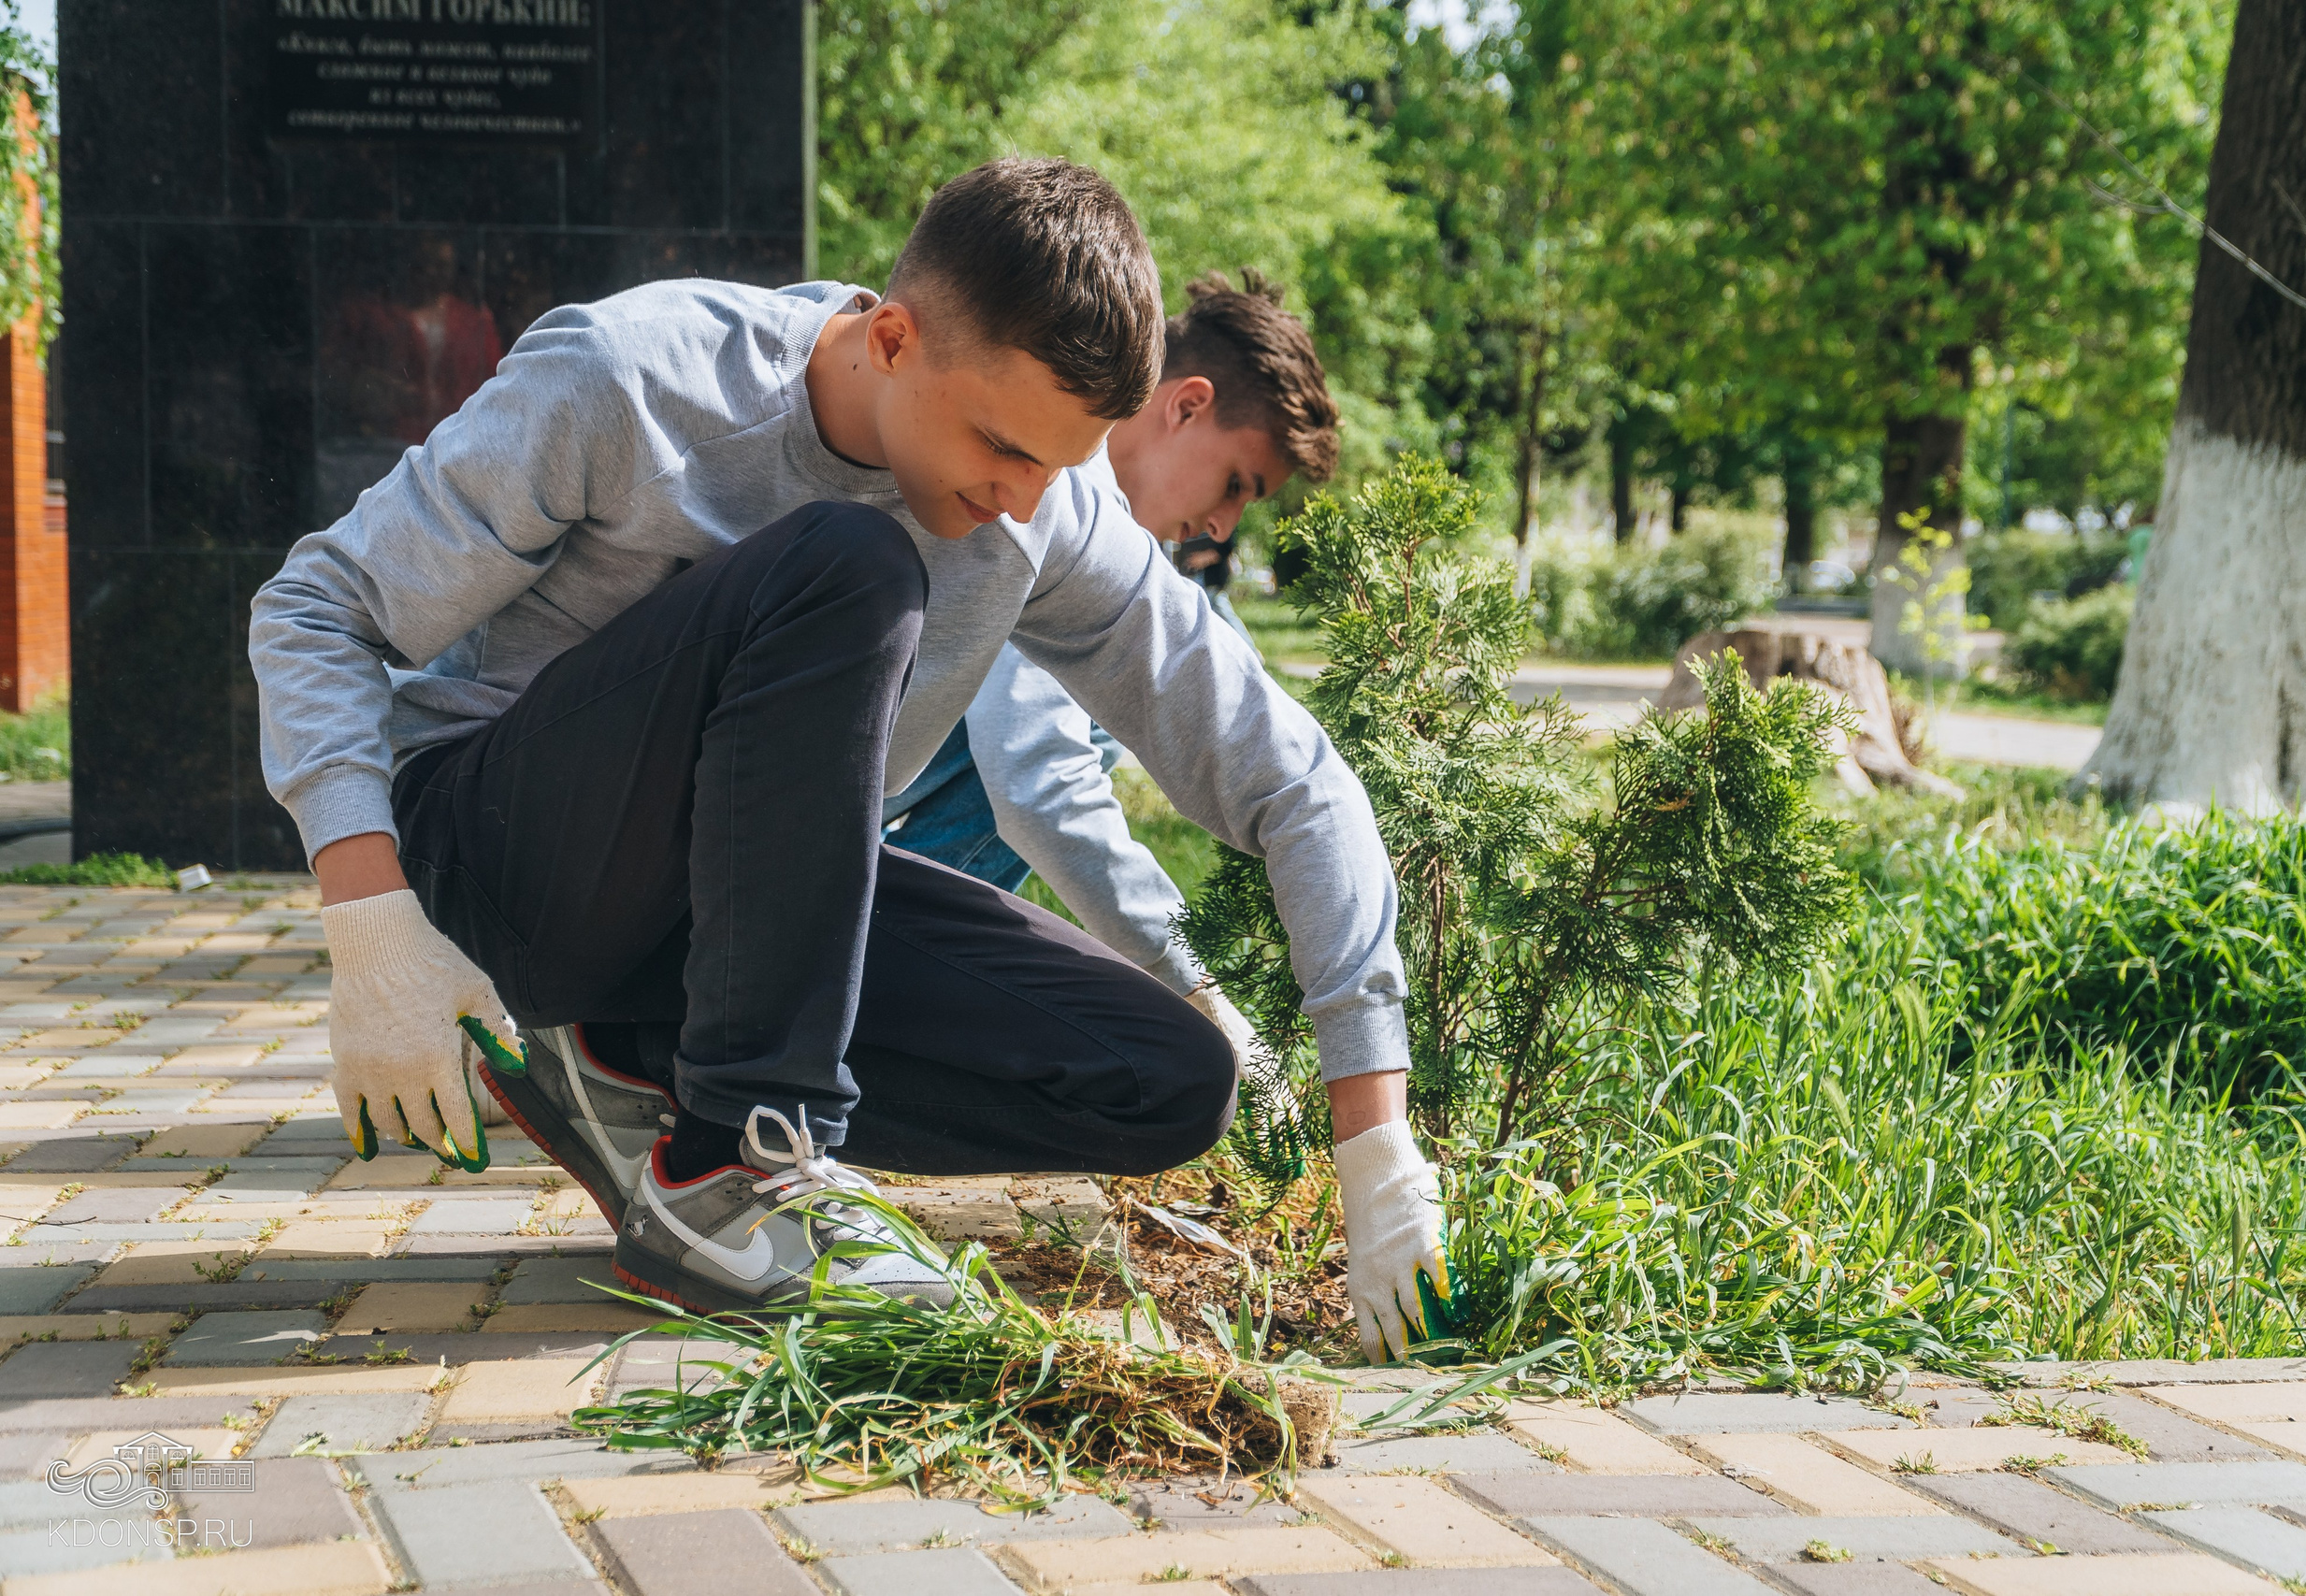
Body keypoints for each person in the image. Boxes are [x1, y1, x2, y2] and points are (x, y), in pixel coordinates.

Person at [249, 159, 1447, 1361]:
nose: (1024, 503)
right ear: (891, 337)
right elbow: (317, 606)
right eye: (1000, 446)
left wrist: (1373, 1135)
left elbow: (1288, 774)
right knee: (856, 563)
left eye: (1058, 463)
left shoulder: (1046, 506)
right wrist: (370, 915)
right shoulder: (634, 381)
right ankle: (741, 1152)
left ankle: (624, 1064)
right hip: (505, 860)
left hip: (720, 923)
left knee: (1167, 1077)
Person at [885, 270, 1333, 1064]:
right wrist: (1200, 999)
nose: (1224, 524)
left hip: (856, 756)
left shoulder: (1123, 540)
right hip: (760, 764)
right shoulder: (1046, 483)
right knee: (1083, 722)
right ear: (1186, 404)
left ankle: (874, 965)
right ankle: (869, 979)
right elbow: (1039, 780)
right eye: (1236, 484)